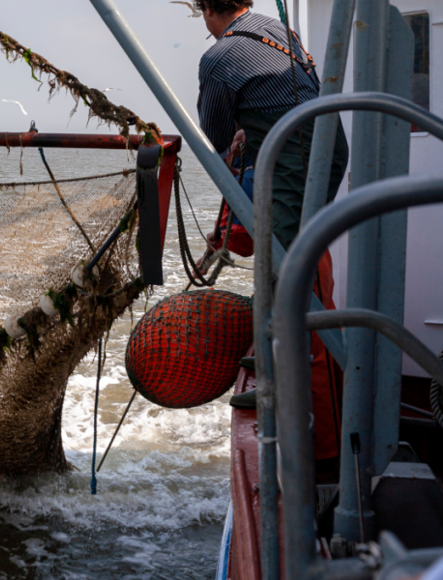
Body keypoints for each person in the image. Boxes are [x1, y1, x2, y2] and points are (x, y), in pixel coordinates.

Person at [195, 0, 349, 473]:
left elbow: (219, 136)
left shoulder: (219, 58)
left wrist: (240, 140)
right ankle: (298, 370)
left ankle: (319, 453)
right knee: (301, 264)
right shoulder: (275, 29)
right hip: (329, 148)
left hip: (294, 160)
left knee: (289, 283)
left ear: (205, 10)